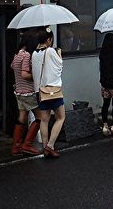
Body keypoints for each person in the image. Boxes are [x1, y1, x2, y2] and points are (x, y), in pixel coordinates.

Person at [32, 29, 65, 158]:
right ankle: (50, 145)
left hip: (40, 91)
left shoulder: (34, 53)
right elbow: (60, 66)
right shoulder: (50, 51)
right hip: (53, 90)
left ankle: (45, 146)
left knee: (44, 120)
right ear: (49, 40)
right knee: (60, 117)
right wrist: (60, 54)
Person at [10, 30, 41, 155]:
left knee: (22, 117)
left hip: (19, 91)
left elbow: (12, 66)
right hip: (28, 92)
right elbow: (24, 74)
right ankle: (27, 145)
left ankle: (16, 146)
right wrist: (36, 75)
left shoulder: (18, 54)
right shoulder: (27, 55)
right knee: (40, 117)